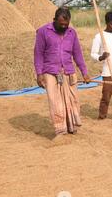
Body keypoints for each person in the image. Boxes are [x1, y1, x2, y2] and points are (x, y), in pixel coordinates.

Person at [34, 7, 91, 137]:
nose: (64, 26)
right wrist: (39, 74)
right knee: (56, 103)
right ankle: (60, 129)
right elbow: (38, 54)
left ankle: (72, 127)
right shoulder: (43, 32)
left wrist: (85, 72)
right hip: (50, 72)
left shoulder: (72, 33)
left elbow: (77, 54)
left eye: (66, 24)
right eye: (61, 24)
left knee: (73, 101)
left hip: (69, 72)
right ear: (54, 20)